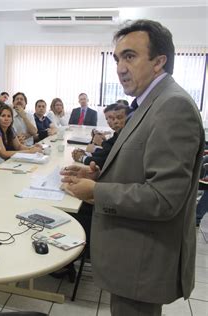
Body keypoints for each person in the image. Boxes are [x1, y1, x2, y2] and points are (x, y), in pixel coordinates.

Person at [61, 20, 204, 315]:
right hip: (132, 256)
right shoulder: (147, 103)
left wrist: (98, 191)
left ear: (159, 62)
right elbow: (139, 166)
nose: (120, 68)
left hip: (143, 262)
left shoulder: (172, 107)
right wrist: (98, 174)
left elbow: (164, 198)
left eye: (130, 56)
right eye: (117, 59)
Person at [72, 104, 128, 169]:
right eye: (107, 119)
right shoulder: (117, 134)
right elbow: (106, 150)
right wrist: (87, 153)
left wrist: (82, 158)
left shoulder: (124, 134)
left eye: (112, 117)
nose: (109, 121)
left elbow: (108, 159)